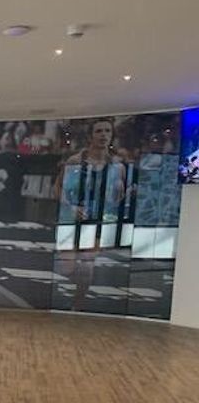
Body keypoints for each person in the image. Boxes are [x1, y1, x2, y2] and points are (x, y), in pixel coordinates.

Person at [54, 118, 128, 310]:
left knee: (87, 266)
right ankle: (76, 283)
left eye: (107, 131)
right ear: (90, 136)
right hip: (72, 221)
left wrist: (121, 192)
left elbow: (119, 199)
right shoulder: (75, 161)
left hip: (97, 223)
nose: (103, 135)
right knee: (67, 268)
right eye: (99, 131)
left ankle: (77, 306)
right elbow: (58, 187)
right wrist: (70, 207)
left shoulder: (118, 166)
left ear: (112, 135)